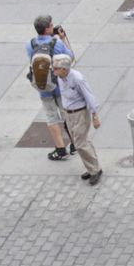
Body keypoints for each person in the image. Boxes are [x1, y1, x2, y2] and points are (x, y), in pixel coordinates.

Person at [28, 14, 74, 161]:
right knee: (66, 113)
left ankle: (60, 149)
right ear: (47, 29)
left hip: (43, 86)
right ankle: (74, 143)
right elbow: (70, 57)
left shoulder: (30, 44)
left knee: (51, 116)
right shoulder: (57, 43)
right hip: (59, 85)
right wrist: (62, 39)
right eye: (51, 25)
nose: (53, 26)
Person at [52, 54, 102, 186]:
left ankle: (95, 170)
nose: (53, 70)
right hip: (69, 114)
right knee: (80, 141)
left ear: (64, 69)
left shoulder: (77, 79)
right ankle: (92, 167)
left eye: (56, 68)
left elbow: (89, 96)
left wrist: (95, 116)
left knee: (80, 144)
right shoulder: (60, 77)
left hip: (80, 114)